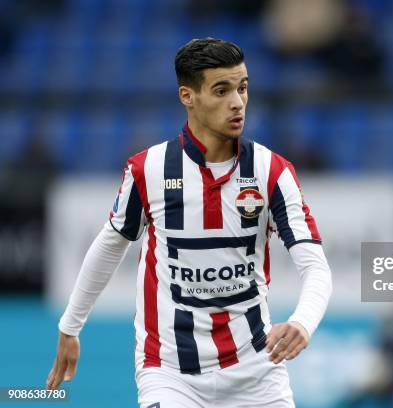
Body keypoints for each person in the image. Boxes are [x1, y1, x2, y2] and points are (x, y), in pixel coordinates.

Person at [46, 38, 333, 408]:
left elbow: (316, 266)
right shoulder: (147, 170)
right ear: (188, 96)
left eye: (243, 88)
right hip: (169, 374)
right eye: (221, 90)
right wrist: (70, 325)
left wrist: (303, 322)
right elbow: (110, 244)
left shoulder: (272, 172)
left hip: (258, 374)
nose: (237, 102)